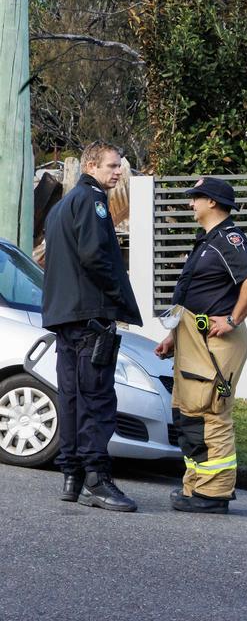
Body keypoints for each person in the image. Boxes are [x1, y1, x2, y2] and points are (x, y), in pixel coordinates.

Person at [155, 177, 247, 514]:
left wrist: (232, 319)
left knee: (209, 413)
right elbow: (195, 293)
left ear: (212, 203)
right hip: (194, 341)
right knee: (189, 413)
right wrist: (175, 336)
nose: (191, 205)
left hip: (214, 343)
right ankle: (197, 487)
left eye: (196, 199)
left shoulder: (229, 239)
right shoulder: (208, 241)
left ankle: (213, 494)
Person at [42, 141, 142, 512]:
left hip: (65, 319)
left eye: (119, 167)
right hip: (89, 318)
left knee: (71, 399)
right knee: (96, 400)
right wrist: (118, 297)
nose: (118, 172)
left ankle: (73, 477)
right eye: (112, 166)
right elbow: (95, 257)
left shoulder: (60, 208)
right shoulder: (93, 200)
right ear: (90, 166)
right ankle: (97, 480)